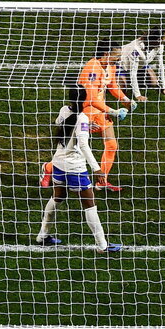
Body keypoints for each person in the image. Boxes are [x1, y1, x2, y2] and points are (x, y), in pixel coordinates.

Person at [35, 104, 121, 252]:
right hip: (75, 168)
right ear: (83, 102)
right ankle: (102, 245)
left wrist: (84, 127)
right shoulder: (82, 118)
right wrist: (97, 169)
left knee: (57, 197)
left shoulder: (64, 110)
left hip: (58, 163)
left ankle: (42, 236)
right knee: (90, 204)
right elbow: (83, 145)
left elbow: (59, 122)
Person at [74, 38, 135, 190]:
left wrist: (126, 99)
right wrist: (113, 111)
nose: (119, 59)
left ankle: (102, 182)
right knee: (75, 148)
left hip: (101, 110)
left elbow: (112, 85)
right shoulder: (92, 67)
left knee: (112, 145)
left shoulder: (110, 66)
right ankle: (49, 168)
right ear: (106, 53)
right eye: (116, 56)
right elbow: (91, 98)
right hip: (85, 112)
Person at [119, 27, 165, 101]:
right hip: (121, 65)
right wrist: (138, 95)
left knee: (154, 82)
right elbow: (133, 73)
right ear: (158, 39)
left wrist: (164, 87)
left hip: (140, 65)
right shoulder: (136, 49)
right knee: (122, 90)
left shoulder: (159, 46)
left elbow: (160, 66)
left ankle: (131, 80)